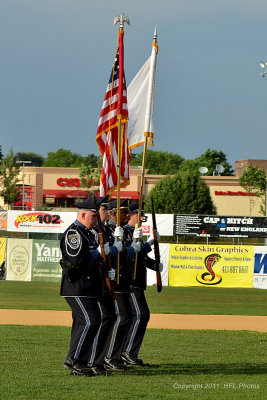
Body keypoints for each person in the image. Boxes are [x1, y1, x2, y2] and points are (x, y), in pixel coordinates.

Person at [60, 197, 118, 376]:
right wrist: (97, 254)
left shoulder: (88, 232)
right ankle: (74, 360)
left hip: (88, 286)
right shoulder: (74, 234)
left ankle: (80, 362)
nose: (97, 219)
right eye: (94, 216)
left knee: (86, 322)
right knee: (90, 321)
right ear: (83, 214)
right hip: (77, 286)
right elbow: (77, 260)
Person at [121, 202, 163, 366]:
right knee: (140, 314)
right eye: (139, 213)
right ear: (131, 214)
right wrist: (150, 243)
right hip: (130, 280)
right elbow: (129, 254)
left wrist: (154, 265)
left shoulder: (136, 232)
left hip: (138, 280)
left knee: (137, 316)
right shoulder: (125, 232)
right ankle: (127, 352)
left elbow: (141, 258)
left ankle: (128, 352)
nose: (142, 216)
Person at [103, 199, 141, 371]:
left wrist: (134, 247)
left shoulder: (121, 231)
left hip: (123, 279)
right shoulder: (109, 230)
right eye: (124, 212)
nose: (128, 215)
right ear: (114, 213)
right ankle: (110, 356)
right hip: (114, 279)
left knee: (125, 318)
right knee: (121, 318)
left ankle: (116, 356)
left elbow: (125, 253)